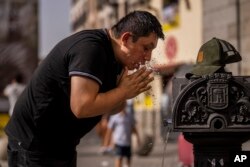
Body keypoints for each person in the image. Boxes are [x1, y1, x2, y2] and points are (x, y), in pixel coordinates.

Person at [5, 10, 164, 166]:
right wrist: (122, 91)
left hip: (61, 145)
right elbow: (81, 107)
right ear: (127, 38)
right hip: (33, 143)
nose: (148, 57)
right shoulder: (91, 49)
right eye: (146, 48)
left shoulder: (118, 63)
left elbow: (111, 109)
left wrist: (124, 93)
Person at [104, 101, 140, 167]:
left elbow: (133, 128)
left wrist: (138, 138)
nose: (123, 106)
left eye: (124, 105)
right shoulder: (114, 116)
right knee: (119, 159)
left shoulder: (129, 116)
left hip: (128, 142)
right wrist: (106, 144)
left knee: (128, 160)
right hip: (118, 142)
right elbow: (109, 131)